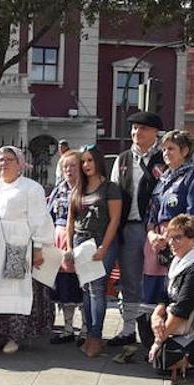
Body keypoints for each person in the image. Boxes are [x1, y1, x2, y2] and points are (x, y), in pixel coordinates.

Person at [0, 146, 55, 355]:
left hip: (16, 245)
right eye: (0, 160)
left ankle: (14, 337)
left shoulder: (31, 188)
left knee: (13, 290)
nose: (3, 163)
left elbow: (39, 219)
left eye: (9, 160)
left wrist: (38, 247)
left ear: (20, 164)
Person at [109, 111, 165, 346]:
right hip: (129, 228)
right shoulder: (122, 159)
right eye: (133, 129)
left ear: (155, 133)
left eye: (142, 129)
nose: (136, 133)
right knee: (130, 280)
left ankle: (155, 332)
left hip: (156, 228)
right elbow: (112, 193)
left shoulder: (164, 158)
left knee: (155, 280)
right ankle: (129, 330)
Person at [67, 145, 122, 357]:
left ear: (98, 162)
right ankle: (90, 333)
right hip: (81, 242)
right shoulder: (77, 189)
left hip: (101, 242)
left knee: (97, 290)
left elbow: (115, 219)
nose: (86, 165)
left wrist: (103, 248)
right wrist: (70, 248)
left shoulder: (110, 188)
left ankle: (96, 336)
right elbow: (71, 223)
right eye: (83, 161)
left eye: (90, 160)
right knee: (86, 290)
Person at [142, 215, 194, 383]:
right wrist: (158, 314)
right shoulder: (177, 261)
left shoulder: (192, 269)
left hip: (188, 324)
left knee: (161, 357)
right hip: (179, 324)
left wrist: (158, 341)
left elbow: (182, 310)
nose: (171, 242)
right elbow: (165, 295)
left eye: (178, 237)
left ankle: (187, 360)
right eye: (170, 237)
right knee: (145, 321)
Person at [145, 131, 194, 305]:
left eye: (171, 149)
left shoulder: (190, 176)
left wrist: (171, 236)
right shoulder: (163, 179)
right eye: (164, 149)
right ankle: (148, 331)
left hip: (180, 242)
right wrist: (152, 235)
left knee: (174, 292)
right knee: (150, 294)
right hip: (157, 242)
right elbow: (151, 214)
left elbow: (191, 215)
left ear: (185, 150)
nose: (165, 153)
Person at [47, 150, 86, 345]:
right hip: (58, 241)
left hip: (80, 239)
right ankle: (68, 328)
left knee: (81, 285)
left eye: (73, 165)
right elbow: (48, 216)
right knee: (63, 285)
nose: (69, 170)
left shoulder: (87, 189)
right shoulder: (58, 189)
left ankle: (86, 329)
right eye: (65, 166)